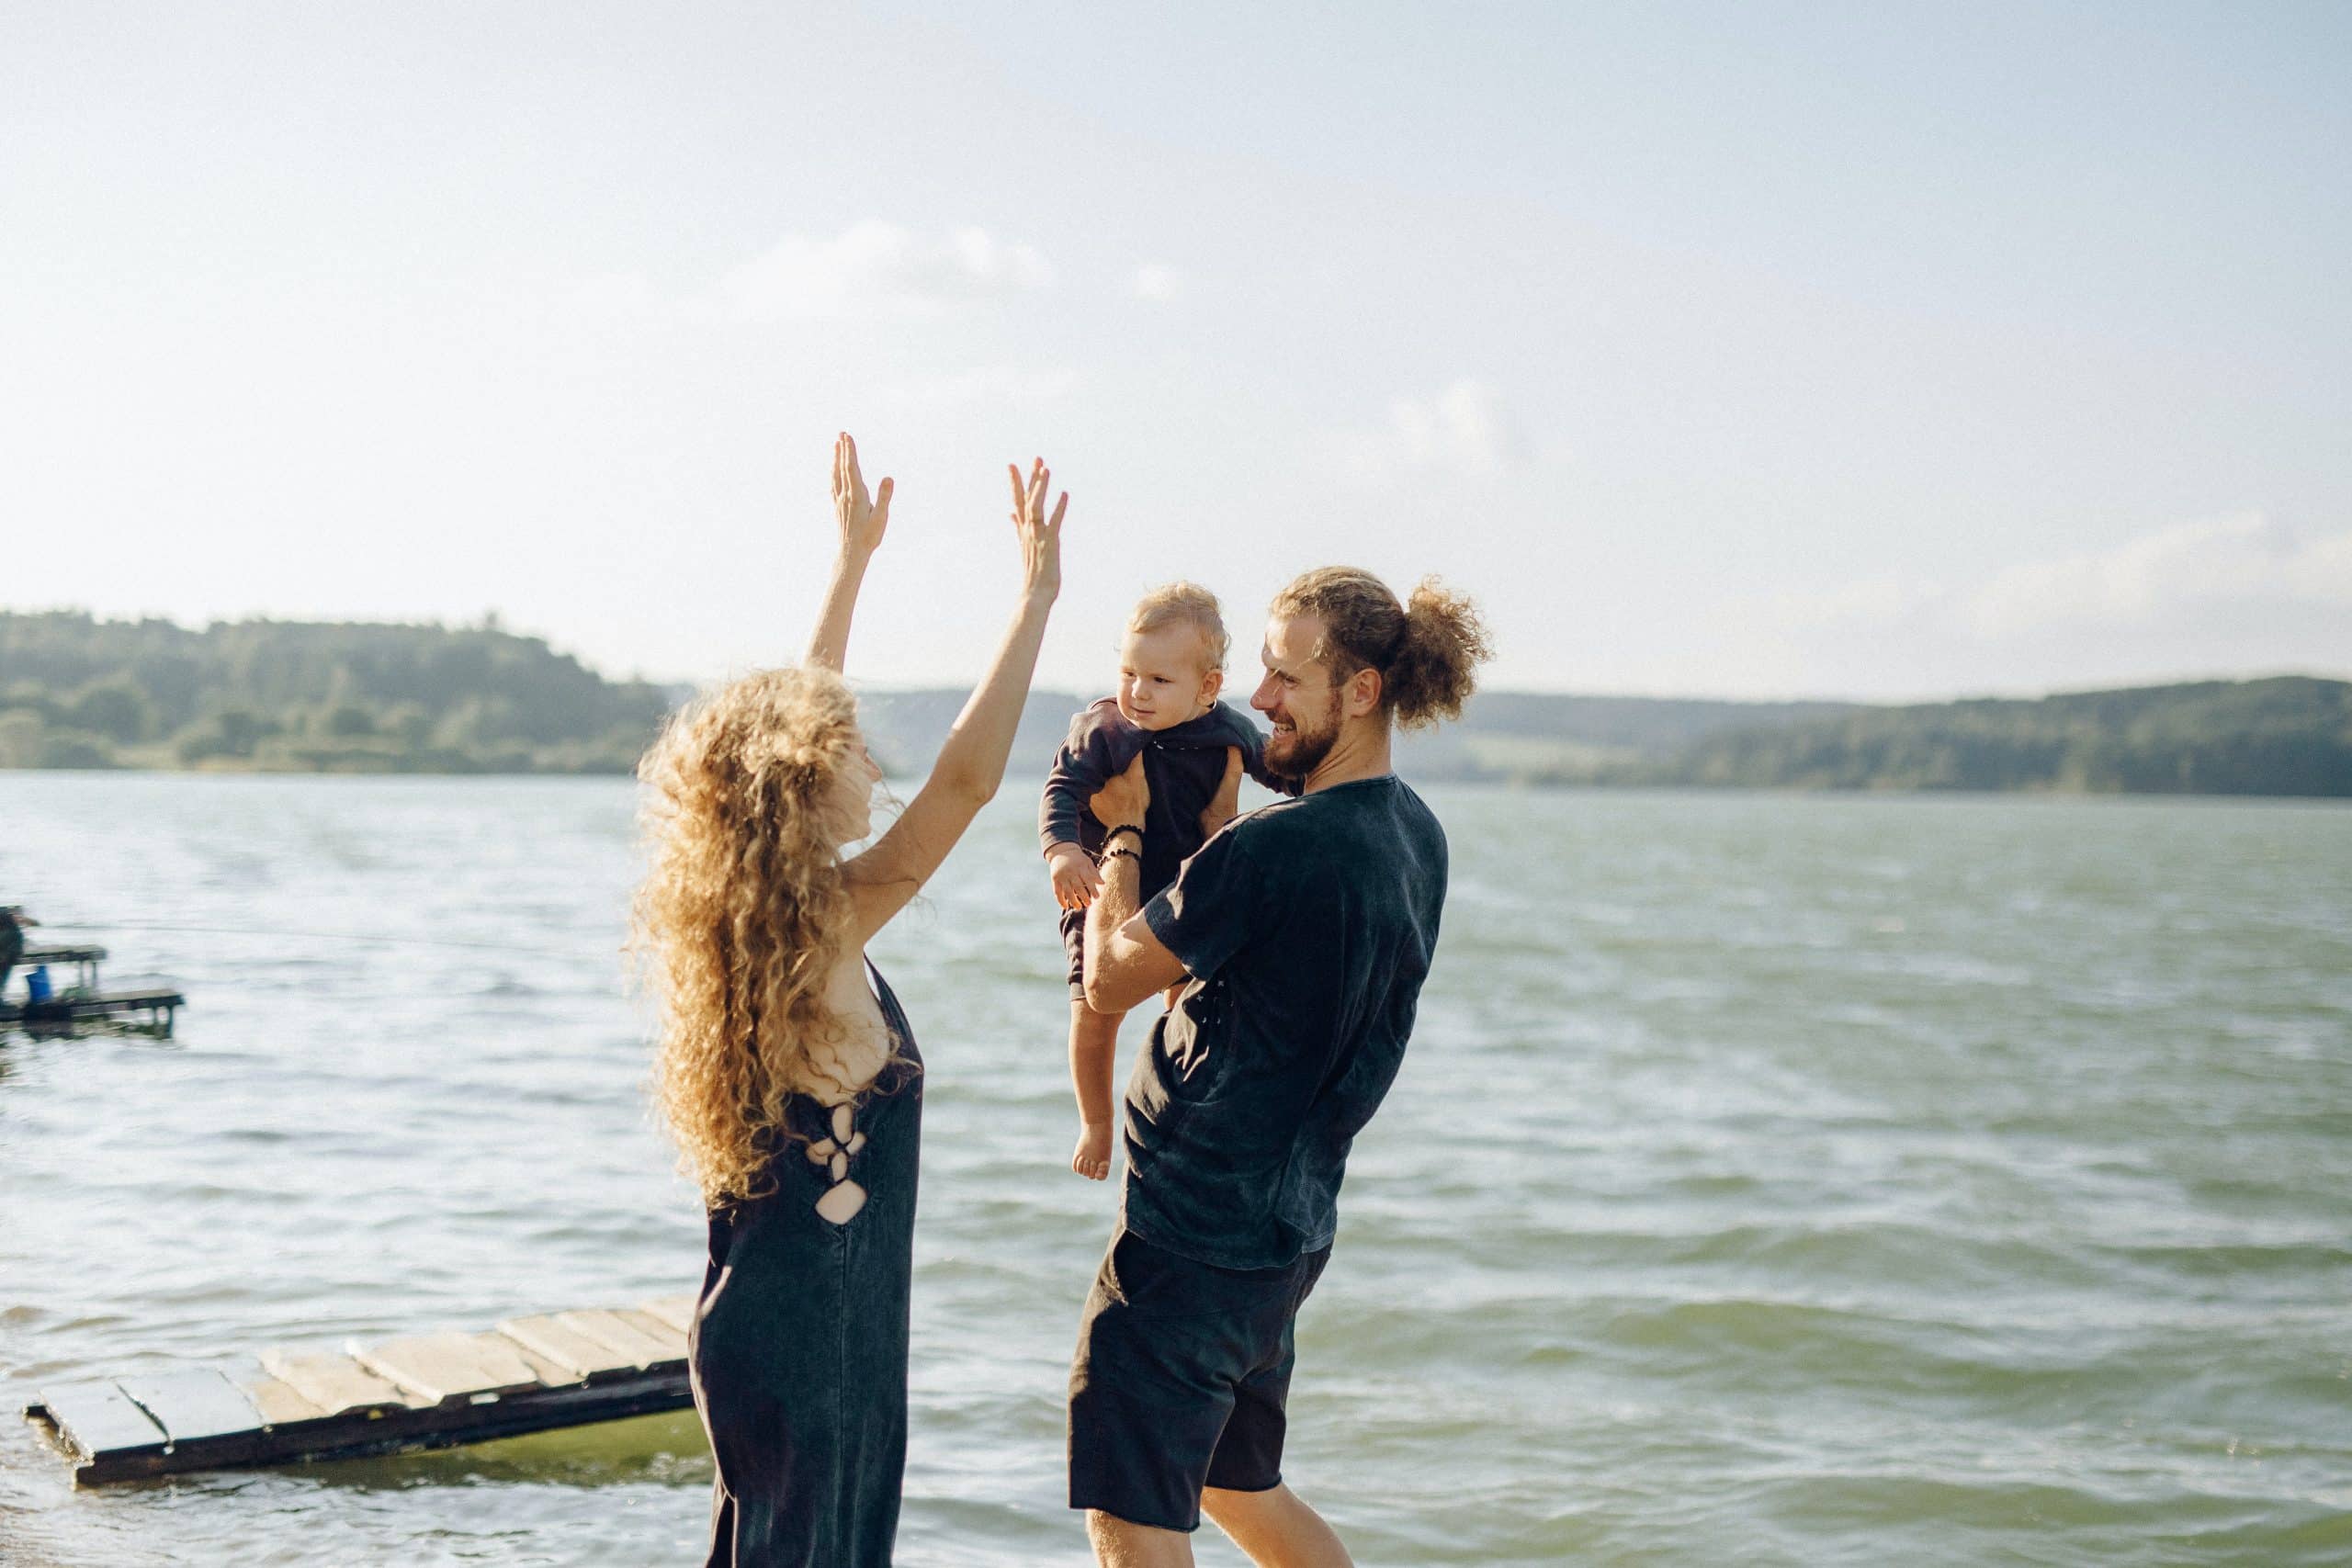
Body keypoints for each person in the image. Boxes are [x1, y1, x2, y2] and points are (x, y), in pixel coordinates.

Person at [634, 434, 1066, 1568]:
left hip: (789, 1327)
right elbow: (967, 783)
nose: (873, 768)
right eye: (852, 753)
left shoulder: (758, 927)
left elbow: (789, 726)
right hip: (815, 1344)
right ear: (799, 783)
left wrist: (851, 564)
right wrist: (1035, 601)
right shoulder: (814, 929)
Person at [1069, 566, 1490, 1567]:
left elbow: (1108, 979)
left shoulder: (1272, 849)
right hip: (1285, 1234)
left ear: (1360, 692)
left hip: (1193, 1239)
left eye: (1282, 676)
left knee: (1130, 1513)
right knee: (1234, 1484)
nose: (1255, 700)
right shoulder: (1414, 835)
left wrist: (1124, 824)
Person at [1039, 583, 1294, 1180]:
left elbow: (1280, 774)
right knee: (1092, 1011)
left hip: (1180, 890)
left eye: (1158, 680)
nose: (1137, 691)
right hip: (1102, 888)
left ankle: (1181, 1102)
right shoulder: (1105, 728)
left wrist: (1316, 792)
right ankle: (1097, 1122)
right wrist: (1062, 852)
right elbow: (1062, 789)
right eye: (1129, 672)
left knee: (1188, 1001)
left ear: (1207, 687)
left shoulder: (1227, 731)